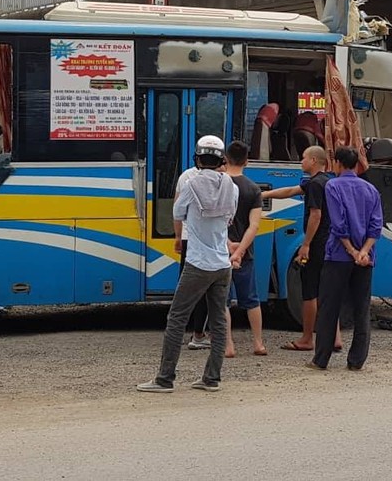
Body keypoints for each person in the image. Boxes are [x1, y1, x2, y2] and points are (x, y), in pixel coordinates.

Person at [138, 135, 238, 392]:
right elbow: (229, 218)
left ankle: (165, 379)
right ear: (221, 160)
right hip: (222, 264)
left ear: (197, 158)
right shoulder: (232, 187)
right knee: (218, 322)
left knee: (177, 318)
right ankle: (211, 378)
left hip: (197, 263)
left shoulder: (190, 184)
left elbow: (177, 213)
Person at [311, 146, 382, 371]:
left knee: (330, 308)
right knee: (362, 308)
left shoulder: (333, 186)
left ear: (339, 164)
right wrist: (364, 251)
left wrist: (352, 251)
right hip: (366, 258)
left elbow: (338, 223)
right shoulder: (371, 190)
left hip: (339, 256)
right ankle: (356, 361)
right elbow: (376, 225)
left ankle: (321, 359)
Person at [262, 146, 339, 352]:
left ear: (314, 160)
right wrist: (264, 194)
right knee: (328, 291)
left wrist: (305, 245)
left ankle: (307, 338)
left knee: (310, 292)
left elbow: (316, 215)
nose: (301, 162)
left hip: (317, 243)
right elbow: (290, 191)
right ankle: (336, 338)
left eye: (303, 158)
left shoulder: (314, 185)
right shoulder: (328, 181)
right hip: (332, 243)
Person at [221, 141, 267, 358]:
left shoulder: (218, 185)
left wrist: (229, 247)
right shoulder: (253, 189)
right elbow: (254, 225)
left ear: (226, 159)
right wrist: (239, 252)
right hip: (245, 253)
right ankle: (258, 343)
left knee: (223, 300)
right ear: (247, 161)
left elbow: (216, 222)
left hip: (220, 253)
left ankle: (228, 345)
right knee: (251, 300)